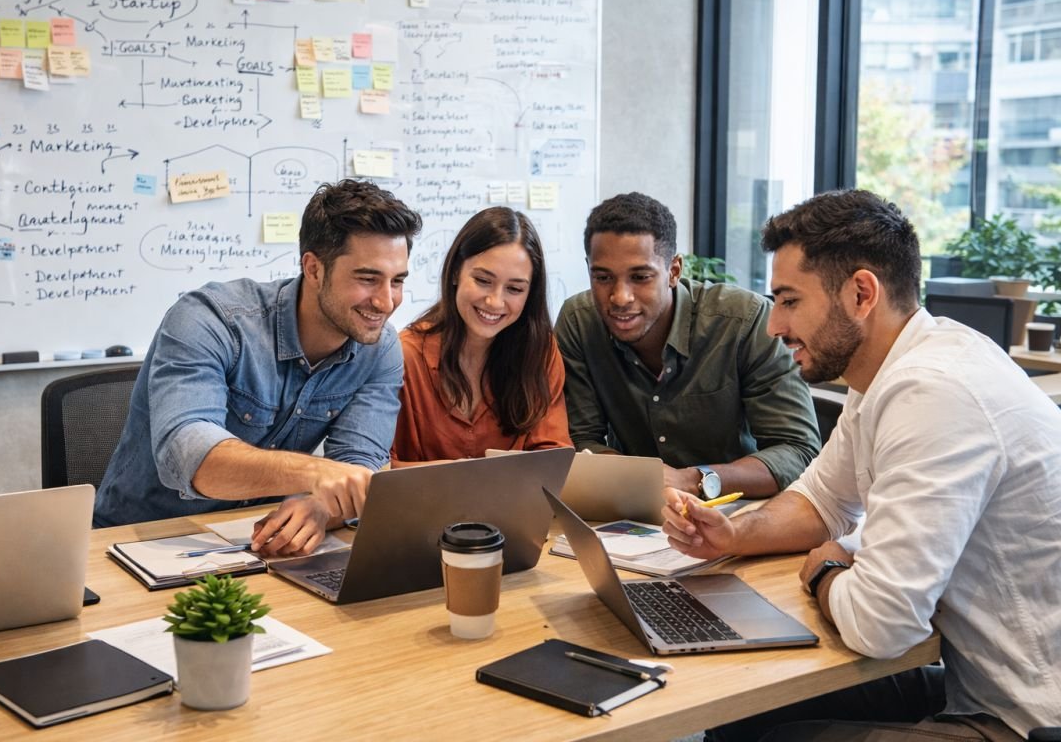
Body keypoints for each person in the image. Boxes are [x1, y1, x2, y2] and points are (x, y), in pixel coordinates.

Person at [664, 189, 1061, 741]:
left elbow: (882, 625)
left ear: (860, 293)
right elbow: (822, 501)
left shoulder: (934, 392)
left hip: (1029, 718)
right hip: (977, 685)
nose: (774, 325)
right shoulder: (888, 371)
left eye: (789, 300)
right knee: (739, 718)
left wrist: (825, 569)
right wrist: (733, 534)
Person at [94, 179, 423, 558]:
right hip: (142, 541)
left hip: (258, 544)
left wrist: (322, 506)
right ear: (313, 269)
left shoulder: (378, 348)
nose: (385, 302)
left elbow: (359, 466)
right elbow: (189, 455)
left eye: (397, 281)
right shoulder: (209, 319)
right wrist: (316, 475)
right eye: (367, 279)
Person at [555, 192, 820, 498]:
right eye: (602, 277)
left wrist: (693, 479)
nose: (620, 297)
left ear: (674, 271)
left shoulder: (744, 322)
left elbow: (797, 451)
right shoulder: (579, 322)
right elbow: (579, 440)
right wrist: (641, 481)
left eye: (640, 277)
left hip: (734, 510)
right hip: (632, 513)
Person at [391, 206, 571, 463]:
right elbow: (375, 470)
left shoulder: (539, 352)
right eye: (483, 281)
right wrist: (457, 477)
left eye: (515, 289)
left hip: (516, 504)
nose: (495, 302)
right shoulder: (404, 356)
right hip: (422, 504)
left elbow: (552, 459)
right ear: (455, 272)